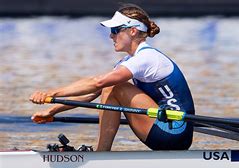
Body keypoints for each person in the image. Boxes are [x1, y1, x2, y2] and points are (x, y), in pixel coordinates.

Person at [29, 4, 195, 151]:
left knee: (113, 86)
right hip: (163, 128)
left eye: (115, 31)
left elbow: (98, 82)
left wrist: (51, 94)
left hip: (174, 131)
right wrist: (50, 111)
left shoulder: (147, 58)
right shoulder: (128, 61)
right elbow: (90, 93)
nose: (111, 36)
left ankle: (101, 154)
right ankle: (102, 154)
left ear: (133, 31)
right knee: (109, 87)